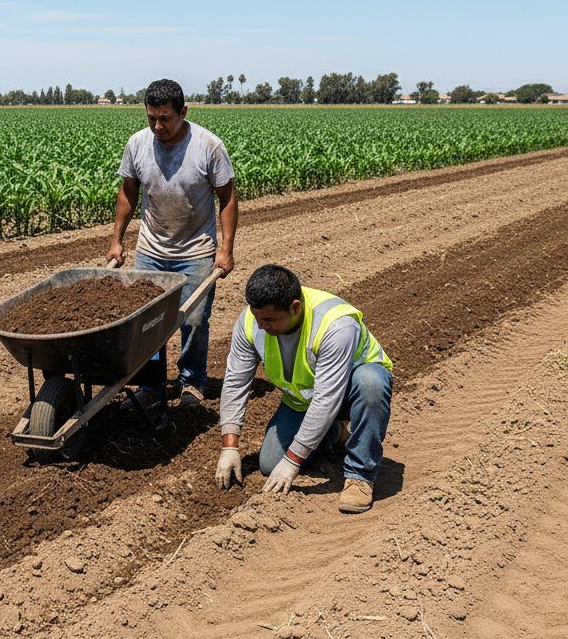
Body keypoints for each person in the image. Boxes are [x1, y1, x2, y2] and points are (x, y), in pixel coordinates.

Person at [214, 264, 394, 513]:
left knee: (371, 382)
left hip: (350, 395)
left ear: (295, 308)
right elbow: (236, 381)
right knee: (270, 464)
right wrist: (229, 446)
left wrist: (293, 461)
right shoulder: (251, 321)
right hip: (303, 401)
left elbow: (327, 398)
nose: (261, 325)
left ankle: (360, 475)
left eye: (269, 319)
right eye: (257, 317)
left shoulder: (335, 325)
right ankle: (333, 434)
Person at [106, 78, 237, 408]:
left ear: (184, 112)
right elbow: (128, 193)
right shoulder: (137, 144)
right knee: (145, 323)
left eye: (165, 118)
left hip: (195, 249)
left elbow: (228, 198)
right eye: (151, 118)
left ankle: (192, 381)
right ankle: (151, 385)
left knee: (193, 320)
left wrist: (225, 250)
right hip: (150, 248)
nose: (158, 126)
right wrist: (117, 241)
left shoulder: (208, 147)